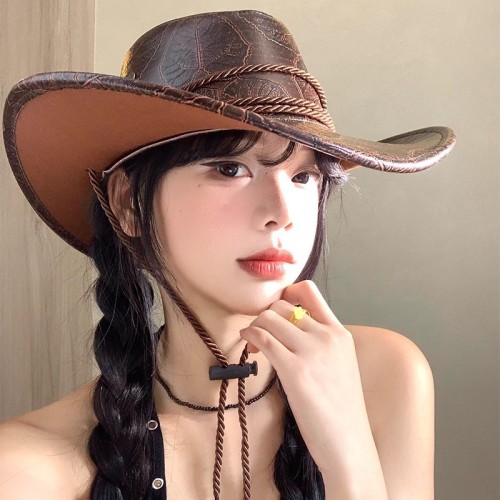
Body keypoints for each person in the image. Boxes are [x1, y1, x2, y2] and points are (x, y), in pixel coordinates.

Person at [0, 10, 455, 500]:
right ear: (129, 204)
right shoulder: (29, 469)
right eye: (230, 168)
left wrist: (347, 452)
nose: (282, 214)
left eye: (304, 176)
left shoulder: (384, 378)